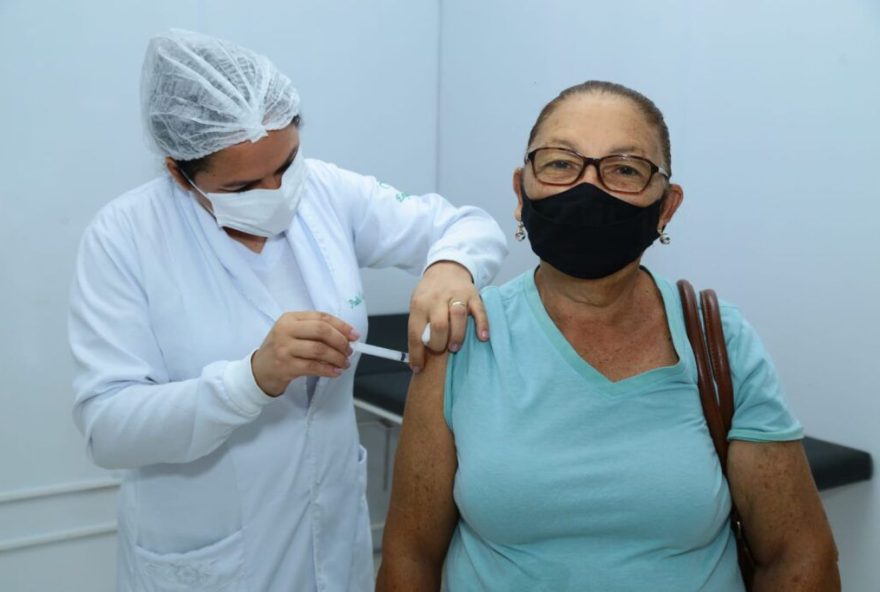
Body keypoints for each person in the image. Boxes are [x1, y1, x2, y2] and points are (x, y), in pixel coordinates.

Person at [68, 29, 506, 591]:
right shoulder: (125, 237)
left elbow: (468, 225)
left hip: (331, 534)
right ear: (180, 172)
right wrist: (250, 380)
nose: (278, 191)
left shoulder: (324, 190)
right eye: (245, 184)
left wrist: (449, 266)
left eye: (288, 163)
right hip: (206, 557)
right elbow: (109, 429)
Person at [376, 81, 839, 591]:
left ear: (666, 207)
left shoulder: (719, 341)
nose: (587, 188)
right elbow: (410, 557)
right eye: (559, 163)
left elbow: (798, 553)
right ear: (519, 190)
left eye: (624, 169)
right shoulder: (462, 338)